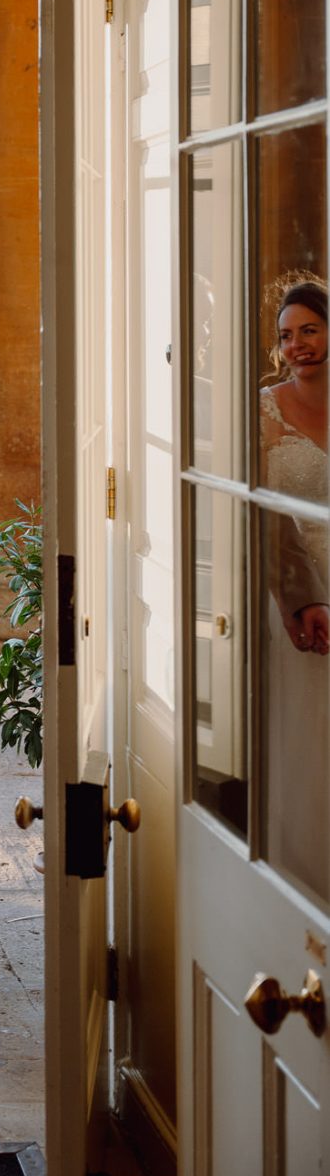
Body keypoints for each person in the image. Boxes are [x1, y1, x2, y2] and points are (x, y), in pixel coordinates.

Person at [259, 274, 330, 898]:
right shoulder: (264, 410)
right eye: (286, 336)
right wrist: (300, 596)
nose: (298, 345)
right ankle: (302, 876)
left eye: (309, 329)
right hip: (296, 589)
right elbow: (264, 515)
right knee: (305, 733)